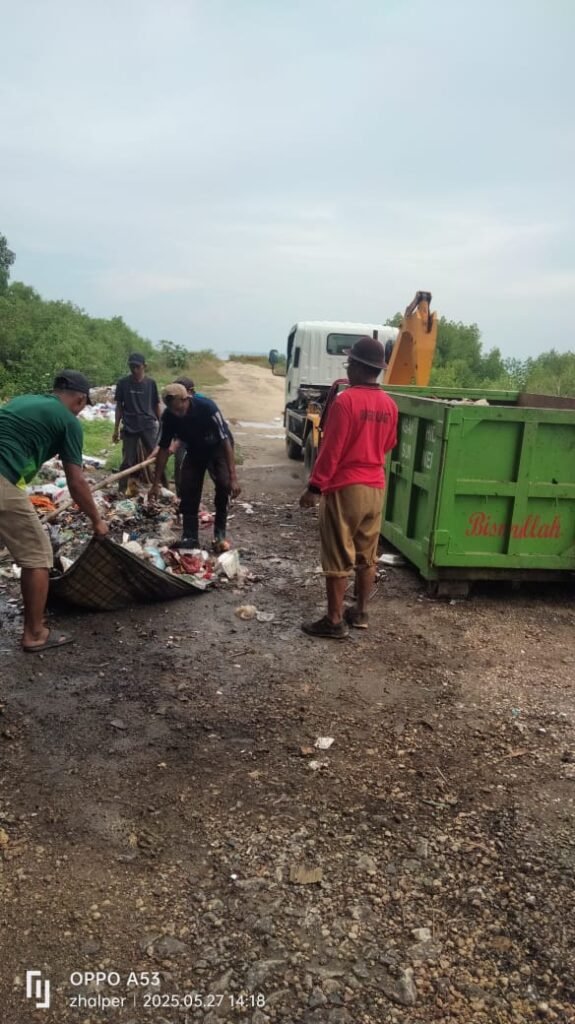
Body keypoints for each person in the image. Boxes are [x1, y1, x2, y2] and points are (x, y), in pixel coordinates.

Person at [0, 371, 109, 652]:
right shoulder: (69, 422)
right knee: (38, 555)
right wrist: (97, 520)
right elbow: (76, 481)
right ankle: (35, 633)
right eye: (83, 406)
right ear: (80, 399)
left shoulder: (24, 401)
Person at [299, 337, 398, 639]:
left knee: (338, 555)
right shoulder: (390, 405)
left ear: (356, 366)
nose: (347, 367)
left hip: (346, 488)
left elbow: (332, 450)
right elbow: (389, 444)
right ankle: (361, 613)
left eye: (348, 363)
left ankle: (334, 620)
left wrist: (315, 488)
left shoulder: (346, 402)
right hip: (375, 487)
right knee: (367, 556)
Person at [149, 383, 241, 551]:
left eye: (180, 409)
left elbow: (226, 441)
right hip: (195, 450)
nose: (178, 414)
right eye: (174, 411)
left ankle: (219, 534)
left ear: (187, 399)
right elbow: (163, 449)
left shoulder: (208, 408)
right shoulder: (169, 416)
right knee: (188, 488)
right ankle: (190, 537)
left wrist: (233, 477)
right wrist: (156, 483)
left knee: (224, 484)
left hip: (218, 448)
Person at [113, 353, 161, 491]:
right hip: (130, 426)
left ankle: (160, 486)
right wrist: (116, 429)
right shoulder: (123, 383)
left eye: (137, 367)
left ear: (144, 366)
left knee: (157, 457)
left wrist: (162, 424)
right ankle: (121, 491)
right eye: (131, 367)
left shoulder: (151, 383)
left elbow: (156, 405)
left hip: (148, 425)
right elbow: (119, 407)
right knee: (127, 461)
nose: (134, 370)